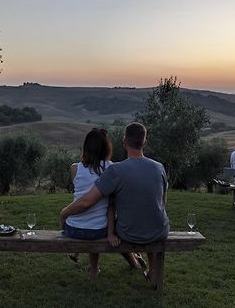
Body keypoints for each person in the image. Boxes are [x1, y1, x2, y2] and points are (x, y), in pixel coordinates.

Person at [61, 122, 169, 287]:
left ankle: (126, 263)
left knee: (115, 223)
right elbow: (162, 202)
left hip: (129, 233)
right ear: (145, 142)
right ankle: (151, 270)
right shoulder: (159, 167)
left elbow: (87, 201)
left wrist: (65, 213)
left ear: (124, 141)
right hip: (159, 229)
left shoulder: (116, 170)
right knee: (148, 220)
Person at [64, 128, 143, 278]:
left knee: (92, 221)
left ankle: (85, 260)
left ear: (86, 147)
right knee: (115, 226)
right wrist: (110, 232)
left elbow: (81, 197)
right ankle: (133, 262)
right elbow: (111, 204)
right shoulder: (112, 168)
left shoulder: (74, 168)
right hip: (97, 231)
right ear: (106, 148)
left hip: (72, 228)